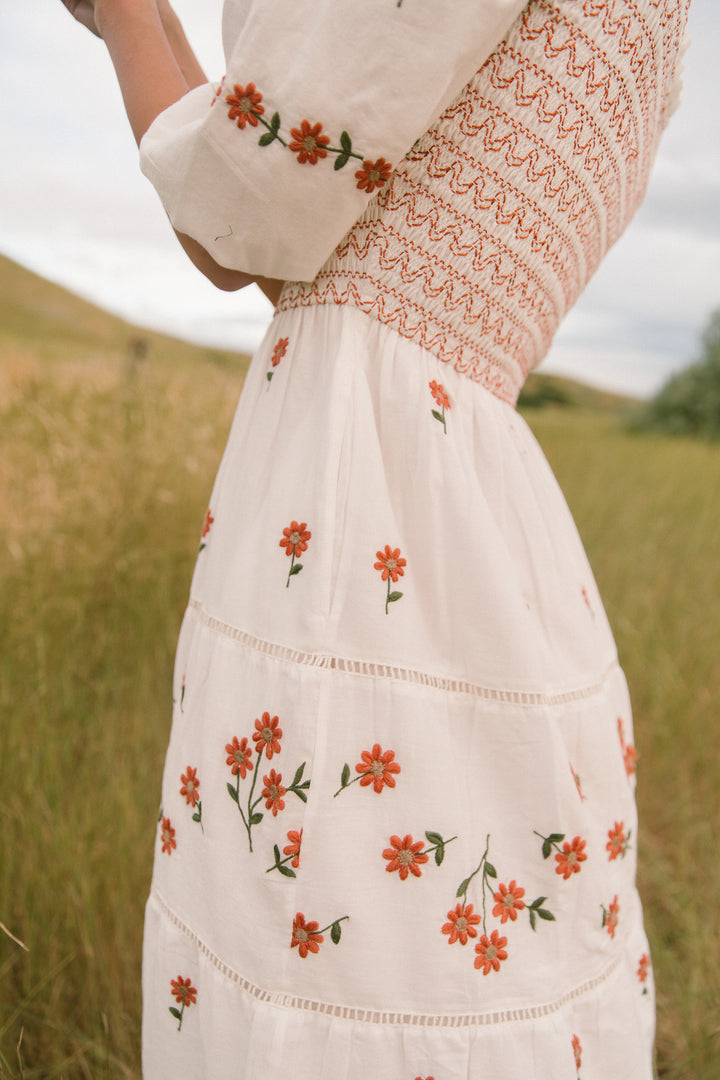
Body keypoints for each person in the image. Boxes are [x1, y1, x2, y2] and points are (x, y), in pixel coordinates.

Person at [61, 1, 691, 1077]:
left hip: (364, 498)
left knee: (332, 946)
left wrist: (124, 17)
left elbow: (239, 214)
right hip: (478, 504)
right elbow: (313, 237)